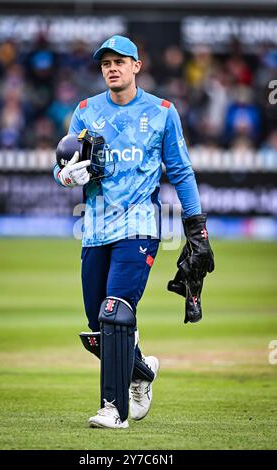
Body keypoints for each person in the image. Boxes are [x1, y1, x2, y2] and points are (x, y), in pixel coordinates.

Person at [53, 35, 214, 429]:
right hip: (94, 229)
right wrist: (65, 175)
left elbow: (181, 171)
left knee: (115, 312)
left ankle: (114, 409)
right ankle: (141, 372)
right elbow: (64, 163)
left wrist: (197, 228)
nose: (111, 67)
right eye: (105, 62)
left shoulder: (161, 112)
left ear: (136, 66)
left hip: (139, 226)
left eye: (119, 61)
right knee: (98, 324)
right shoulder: (86, 111)